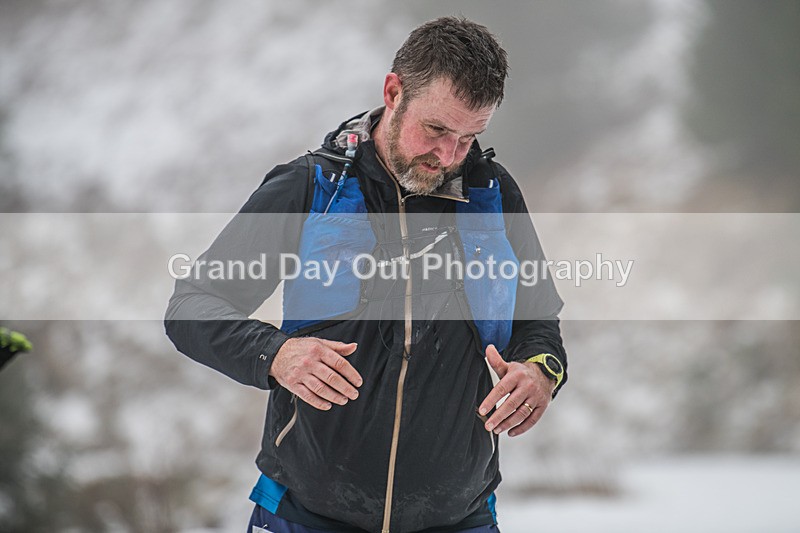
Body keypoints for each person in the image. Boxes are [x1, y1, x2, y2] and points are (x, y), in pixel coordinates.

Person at [165, 16, 567, 533]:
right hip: (307, 515)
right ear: (394, 92)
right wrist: (277, 355)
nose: (448, 156)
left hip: (459, 519)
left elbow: (540, 322)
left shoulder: (493, 196)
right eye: (437, 129)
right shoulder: (310, 188)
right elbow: (192, 306)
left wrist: (540, 371)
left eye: (469, 138)